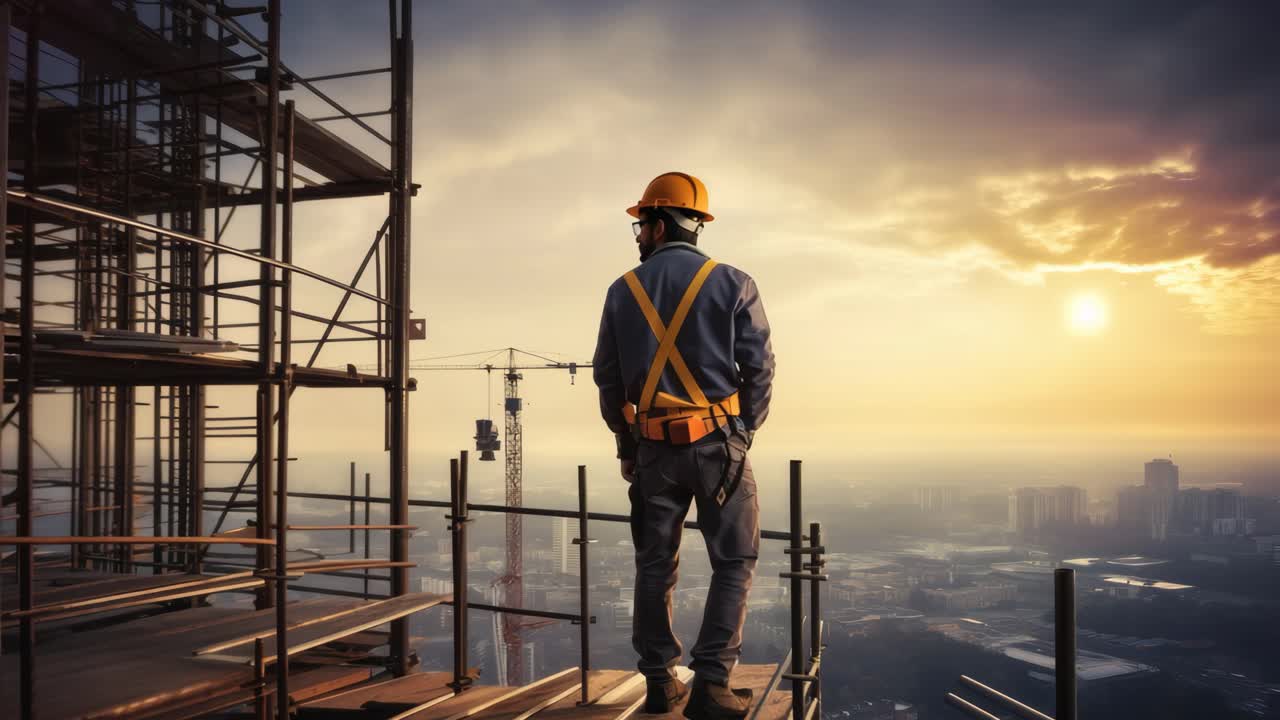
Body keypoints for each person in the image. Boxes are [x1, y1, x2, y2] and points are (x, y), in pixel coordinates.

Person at [593, 172, 775, 718]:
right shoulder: (734, 283)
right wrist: (743, 431)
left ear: (661, 221)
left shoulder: (621, 291)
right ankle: (712, 683)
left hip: (653, 451)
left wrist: (627, 444)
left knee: (654, 565)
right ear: (696, 222)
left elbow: (608, 377)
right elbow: (759, 369)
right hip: (720, 447)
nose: (637, 234)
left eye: (640, 223)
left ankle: (659, 681)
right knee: (735, 561)